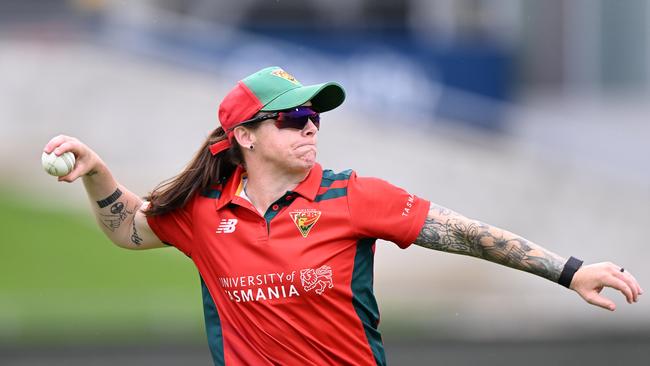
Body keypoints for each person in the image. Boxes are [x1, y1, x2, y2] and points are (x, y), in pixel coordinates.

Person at [43, 66, 643, 366]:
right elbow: (128, 230)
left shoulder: (354, 195)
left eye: (314, 116)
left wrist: (569, 271)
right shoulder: (203, 213)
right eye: (291, 117)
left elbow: (463, 233)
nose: (309, 125)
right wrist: (97, 172)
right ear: (245, 136)